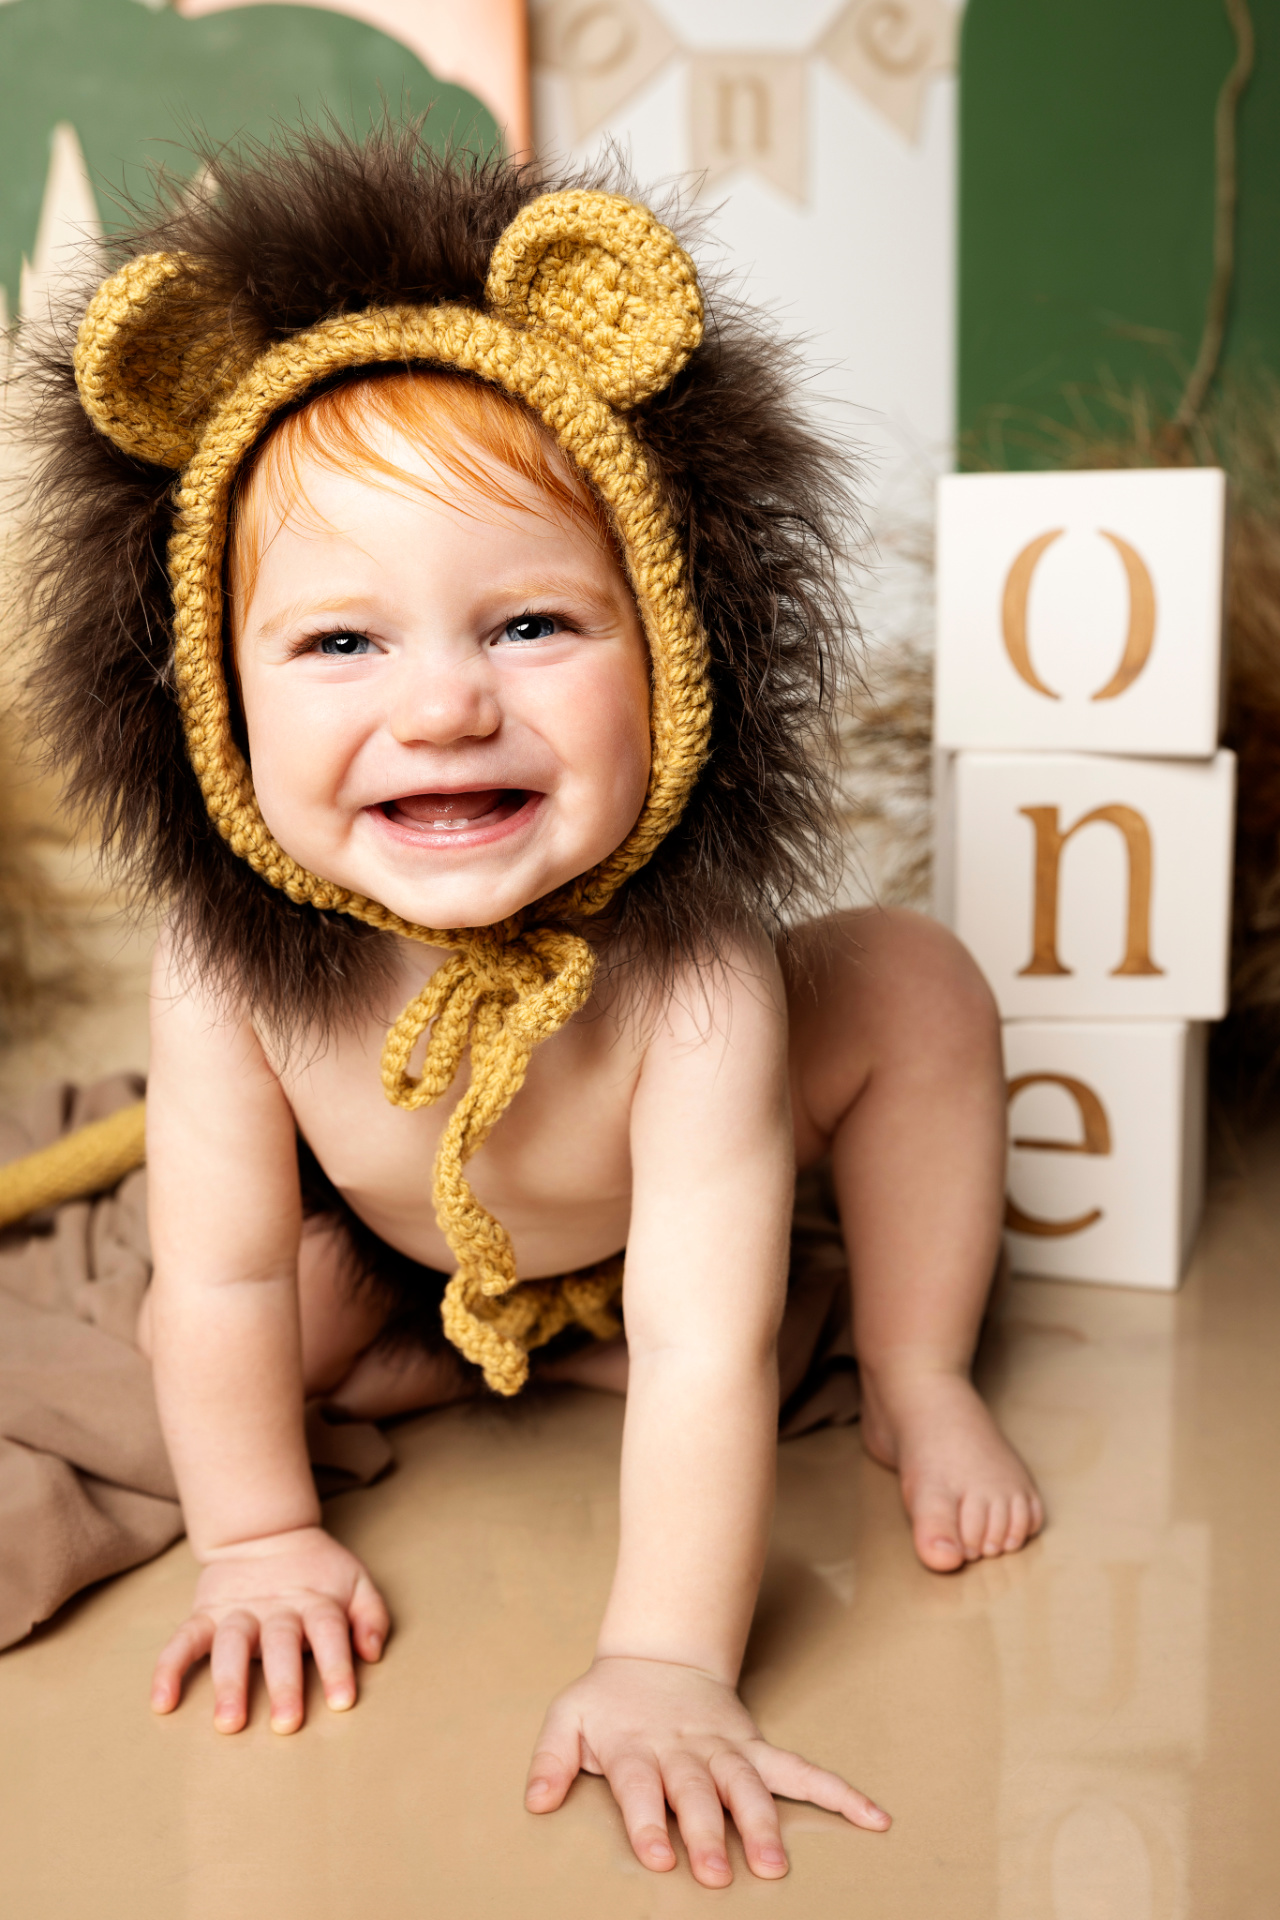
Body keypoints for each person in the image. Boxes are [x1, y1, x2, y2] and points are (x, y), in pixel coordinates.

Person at [27, 125, 1041, 1888]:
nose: (441, 712)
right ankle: (439, 1375)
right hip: (383, 1250)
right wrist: (254, 1540)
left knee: (916, 979)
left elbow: (714, 1350)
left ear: (673, 652)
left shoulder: (700, 971)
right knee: (212, 1355)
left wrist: (663, 1662)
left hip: (664, 1264)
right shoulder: (228, 965)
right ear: (214, 708)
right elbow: (227, 1271)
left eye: (530, 627)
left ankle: (924, 1368)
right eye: (340, 645)